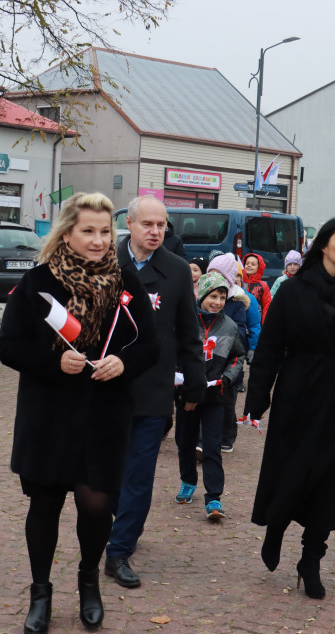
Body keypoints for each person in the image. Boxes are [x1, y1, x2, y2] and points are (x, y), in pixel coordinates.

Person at [0, 191, 160, 634]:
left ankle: (89, 581)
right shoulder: (38, 283)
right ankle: (41, 593)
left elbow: (150, 345)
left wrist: (123, 363)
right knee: (45, 504)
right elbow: (8, 347)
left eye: (105, 231)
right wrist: (54, 363)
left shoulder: (126, 281)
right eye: (88, 231)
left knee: (96, 505)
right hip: (49, 413)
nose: (98, 240)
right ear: (67, 232)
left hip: (104, 412)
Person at [245, 217, 335, 599]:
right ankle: (276, 526)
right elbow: (270, 348)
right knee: (290, 467)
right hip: (298, 391)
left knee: (332, 479)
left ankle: (312, 557)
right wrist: (257, 400)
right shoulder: (293, 292)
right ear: (324, 244)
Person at [104, 196, 206, 591]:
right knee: (109, 470)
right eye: (147, 224)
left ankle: (119, 550)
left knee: (139, 474)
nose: (155, 231)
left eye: (161, 225)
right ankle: (123, 521)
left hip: (153, 389)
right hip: (107, 387)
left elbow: (188, 332)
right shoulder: (107, 264)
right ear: (129, 223)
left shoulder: (177, 271)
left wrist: (194, 382)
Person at [174, 272, 246, 520]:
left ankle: (214, 498)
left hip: (216, 395)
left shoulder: (230, 325)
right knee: (185, 441)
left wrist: (227, 376)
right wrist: (176, 376)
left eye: (222, 297)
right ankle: (188, 481)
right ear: (202, 295)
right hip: (187, 394)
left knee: (212, 447)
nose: (217, 302)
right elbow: (174, 353)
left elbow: (238, 357)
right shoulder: (186, 321)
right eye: (213, 296)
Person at [207, 253, 252, 454]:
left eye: (218, 274)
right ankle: (204, 437)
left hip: (227, 362)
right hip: (208, 361)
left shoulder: (235, 304)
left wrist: (225, 336)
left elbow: (240, 332)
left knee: (227, 403)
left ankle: (228, 435)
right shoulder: (203, 298)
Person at [243, 252, 272, 319]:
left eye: (253, 264)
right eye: (247, 263)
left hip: (256, 322)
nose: (249, 265)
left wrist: (265, 325)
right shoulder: (239, 281)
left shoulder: (263, 286)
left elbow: (267, 306)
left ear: (259, 267)